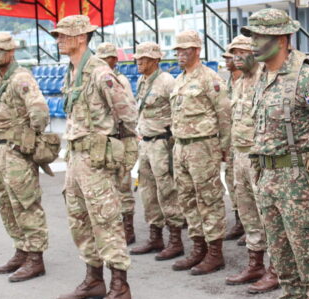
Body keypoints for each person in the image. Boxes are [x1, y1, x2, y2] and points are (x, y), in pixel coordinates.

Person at [242, 8, 309, 299]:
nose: (254, 43)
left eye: (261, 36)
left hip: (302, 187)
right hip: (269, 182)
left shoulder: (308, 78)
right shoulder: (263, 78)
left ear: (283, 39)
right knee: (283, 263)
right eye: (253, 35)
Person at [53, 15, 137, 299]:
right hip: (75, 158)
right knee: (79, 219)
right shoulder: (72, 71)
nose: (59, 39)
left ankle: (120, 287)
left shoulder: (100, 72)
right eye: (58, 35)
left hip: (97, 160)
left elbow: (127, 114)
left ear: (81, 38)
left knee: (106, 221)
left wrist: (126, 155)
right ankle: (93, 280)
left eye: (64, 35)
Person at [0, 32, 50, 282]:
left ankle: (36, 257)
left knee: (26, 203)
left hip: (16, 150)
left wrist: (31, 139)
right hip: (0, 148)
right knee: (7, 203)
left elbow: (39, 109)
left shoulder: (20, 77)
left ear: (11, 51)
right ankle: (21, 249)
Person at [169, 30, 231, 275]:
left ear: (197, 50)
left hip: (203, 146)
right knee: (187, 198)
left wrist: (224, 148)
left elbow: (224, 115)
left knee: (209, 198)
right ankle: (198, 247)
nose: (180, 54)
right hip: (181, 146)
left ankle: (215, 253)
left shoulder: (210, 78)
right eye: (178, 50)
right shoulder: (179, 79)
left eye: (185, 50)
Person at [224, 34, 280, 293]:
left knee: (268, 214)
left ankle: (276, 269)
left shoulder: (265, 79)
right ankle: (255, 263)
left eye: (240, 53)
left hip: (259, 158)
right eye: (233, 54)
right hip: (239, 154)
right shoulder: (239, 82)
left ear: (253, 54)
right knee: (247, 212)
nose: (236, 58)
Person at [130, 42, 186, 261]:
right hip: (145, 142)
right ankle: (155, 236)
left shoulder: (167, 82)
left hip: (162, 143)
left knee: (167, 190)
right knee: (147, 190)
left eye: (143, 59)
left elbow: (178, 112)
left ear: (154, 60)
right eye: (138, 59)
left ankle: (175, 239)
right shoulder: (142, 81)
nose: (139, 63)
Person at [95, 42, 139, 245]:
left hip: (120, 139)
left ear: (114, 60)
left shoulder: (119, 81)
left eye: (106, 59)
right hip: (105, 141)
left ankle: (127, 228)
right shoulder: (95, 80)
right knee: (106, 187)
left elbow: (127, 110)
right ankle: (114, 227)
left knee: (123, 185)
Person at [222, 46, 245, 243]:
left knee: (249, 188)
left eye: (230, 58)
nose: (228, 61)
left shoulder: (249, 80)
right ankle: (240, 220)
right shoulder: (228, 82)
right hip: (232, 140)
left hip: (246, 143)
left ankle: (251, 226)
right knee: (233, 182)